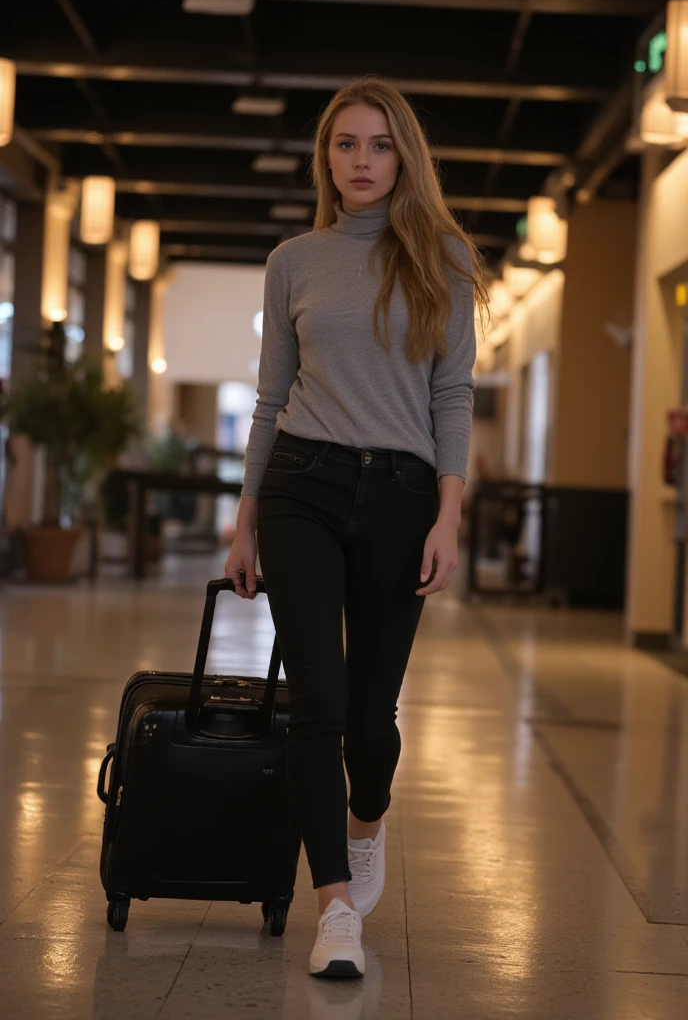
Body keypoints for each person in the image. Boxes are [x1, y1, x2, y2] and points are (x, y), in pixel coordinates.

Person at [224, 76, 486, 979]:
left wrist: (450, 513)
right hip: (303, 484)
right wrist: (247, 515)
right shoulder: (294, 258)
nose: (362, 161)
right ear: (325, 158)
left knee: (373, 720)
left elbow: (452, 395)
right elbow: (268, 398)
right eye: (346, 144)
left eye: (379, 145)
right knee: (319, 704)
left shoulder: (444, 260)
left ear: (403, 157)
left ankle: (363, 818)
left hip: (404, 496)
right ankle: (334, 906)